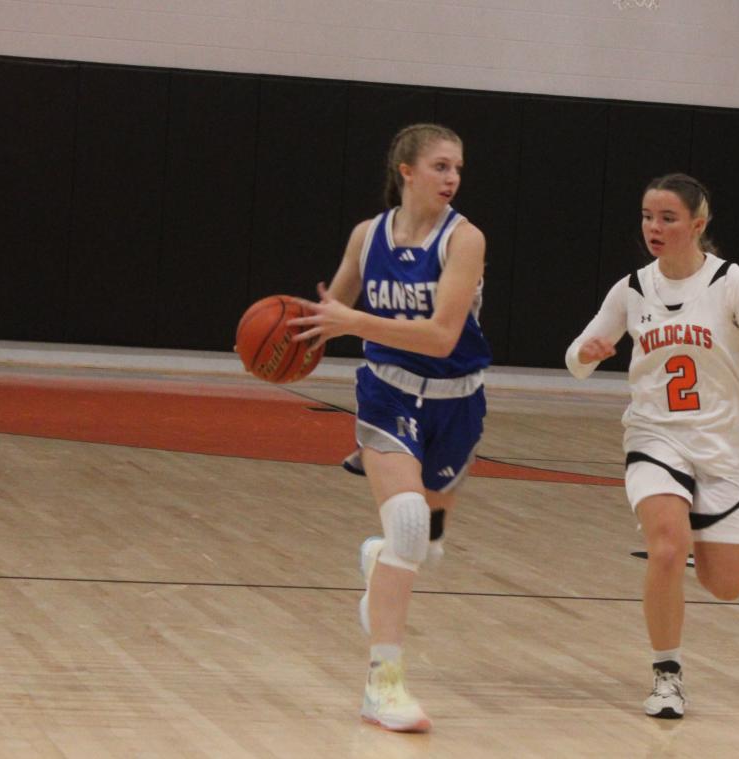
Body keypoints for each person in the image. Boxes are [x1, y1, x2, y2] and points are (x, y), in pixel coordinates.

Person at [565, 173, 739, 719]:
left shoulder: (731, 283)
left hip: (724, 449)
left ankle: (697, 521)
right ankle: (666, 673)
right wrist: (589, 353)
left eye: (668, 218)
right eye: (648, 216)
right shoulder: (633, 289)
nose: (654, 227)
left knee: (727, 584)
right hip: (655, 437)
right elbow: (576, 360)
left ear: (698, 224)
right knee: (667, 546)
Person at [289, 123, 490, 732]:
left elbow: (441, 336)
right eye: (439, 166)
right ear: (406, 170)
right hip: (387, 395)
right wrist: (294, 336)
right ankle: (384, 685)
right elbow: (332, 315)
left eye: (457, 168)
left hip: (458, 403)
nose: (452, 178)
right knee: (406, 524)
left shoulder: (465, 239)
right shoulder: (366, 236)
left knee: (422, 549)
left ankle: (380, 565)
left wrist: (352, 321)